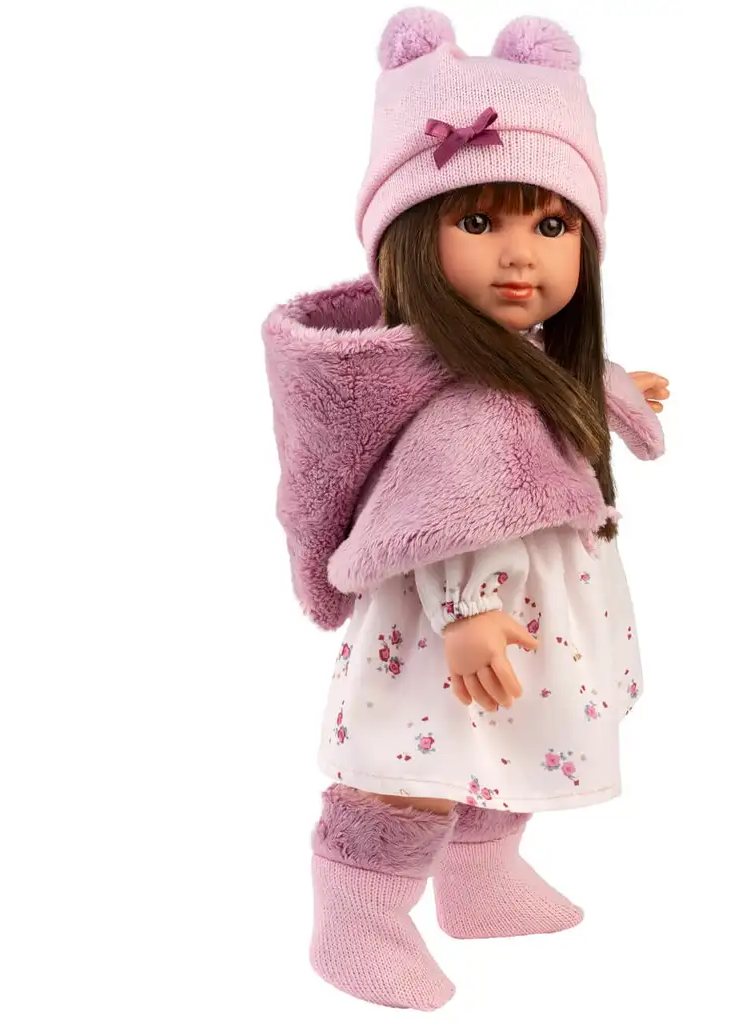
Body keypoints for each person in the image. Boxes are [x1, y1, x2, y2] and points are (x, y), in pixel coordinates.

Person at [262, 8, 670, 1011]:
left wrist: (618, 390)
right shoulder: (468, 404)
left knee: (509, 738)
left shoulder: (518, 363)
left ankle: (479, 881)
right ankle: (357, 917)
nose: (521, 256)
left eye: (551, 225)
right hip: (461, 621)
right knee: (413, 762)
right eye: (479, 223)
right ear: (409, 240)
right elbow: (441, 511)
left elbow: (558, 384)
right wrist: (467, 611)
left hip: (518, 620)